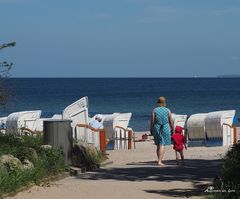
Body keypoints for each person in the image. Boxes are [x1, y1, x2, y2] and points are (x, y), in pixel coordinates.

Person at [150, 97, 174, 166]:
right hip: (165, 127)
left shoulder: (155, 110)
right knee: (162, 144)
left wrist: (151, 129)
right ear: (164, 103)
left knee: (159, 144)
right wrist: (173, 129)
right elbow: (170, 120)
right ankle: (160, 161)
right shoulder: (167, 110)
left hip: (157, 127)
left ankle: (159, 160)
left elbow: (152, 121)